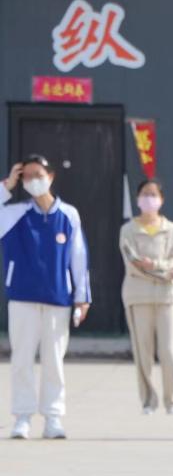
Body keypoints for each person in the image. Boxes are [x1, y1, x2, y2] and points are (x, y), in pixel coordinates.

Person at [1, 156, 91, 440]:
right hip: (22, 297)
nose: (33, 180)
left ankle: (53, 417)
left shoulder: (69, 215)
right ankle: (23, 417)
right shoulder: (13, 214)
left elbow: (79, 257)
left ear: (50, 176)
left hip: (58, 298)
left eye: (38, 174)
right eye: (26, 176)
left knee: (54, 360)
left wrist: (82, 297)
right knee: (22, 359)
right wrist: (6, 186)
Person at [119, 178, 173, 416]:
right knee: (143, 352)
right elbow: (134, 264)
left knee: (170, 351)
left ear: (162, 199)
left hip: (167, 297)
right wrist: (164, 272)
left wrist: (157, 266)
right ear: (138, 199)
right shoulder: (128, 230)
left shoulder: (172, 229)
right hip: (138, 296)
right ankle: (148, 401)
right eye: (145, 194)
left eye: (153, 194)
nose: (149, 199)